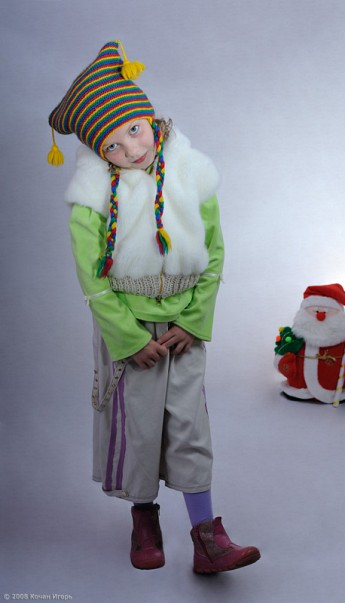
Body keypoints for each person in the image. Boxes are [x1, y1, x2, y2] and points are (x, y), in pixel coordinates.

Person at [48, 39, 260, 574]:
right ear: (100, 153)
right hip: (132, 328)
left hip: (183, 325)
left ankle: (207, 537)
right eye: (113, 145)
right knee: (138, 427)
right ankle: (144, 518)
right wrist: (128, 338)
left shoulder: (190, 171)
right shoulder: (94, 193)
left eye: (134, 130)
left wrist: (194, 320)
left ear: (150, 117)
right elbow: (91, 275)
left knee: (190, 426)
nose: (131, 148)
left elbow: (214, 251)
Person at [274, 283, 345, 404]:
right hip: (298, 390)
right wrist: (284, 363)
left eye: (327, 311)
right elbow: (282, 351)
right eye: (315, 310)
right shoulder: (295, 333)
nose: (320, 315)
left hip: (337, 392)